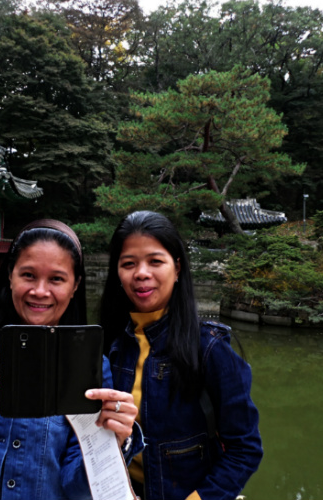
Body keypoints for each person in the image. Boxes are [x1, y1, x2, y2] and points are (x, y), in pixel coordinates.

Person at [0, 219, 141, 500]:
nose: (40, 291)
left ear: (75, 284)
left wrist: (114, 440)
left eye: (56, 279)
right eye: (28, 275)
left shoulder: (90, 366)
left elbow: (78, 489)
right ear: (10, 275)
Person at [100, 211, 263, 500]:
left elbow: (244, 450)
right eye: (128, 264)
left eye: (155, 261)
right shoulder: (108, 343)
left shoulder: (210, 349)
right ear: (117, 273)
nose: (141, 273)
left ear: (176, 269)